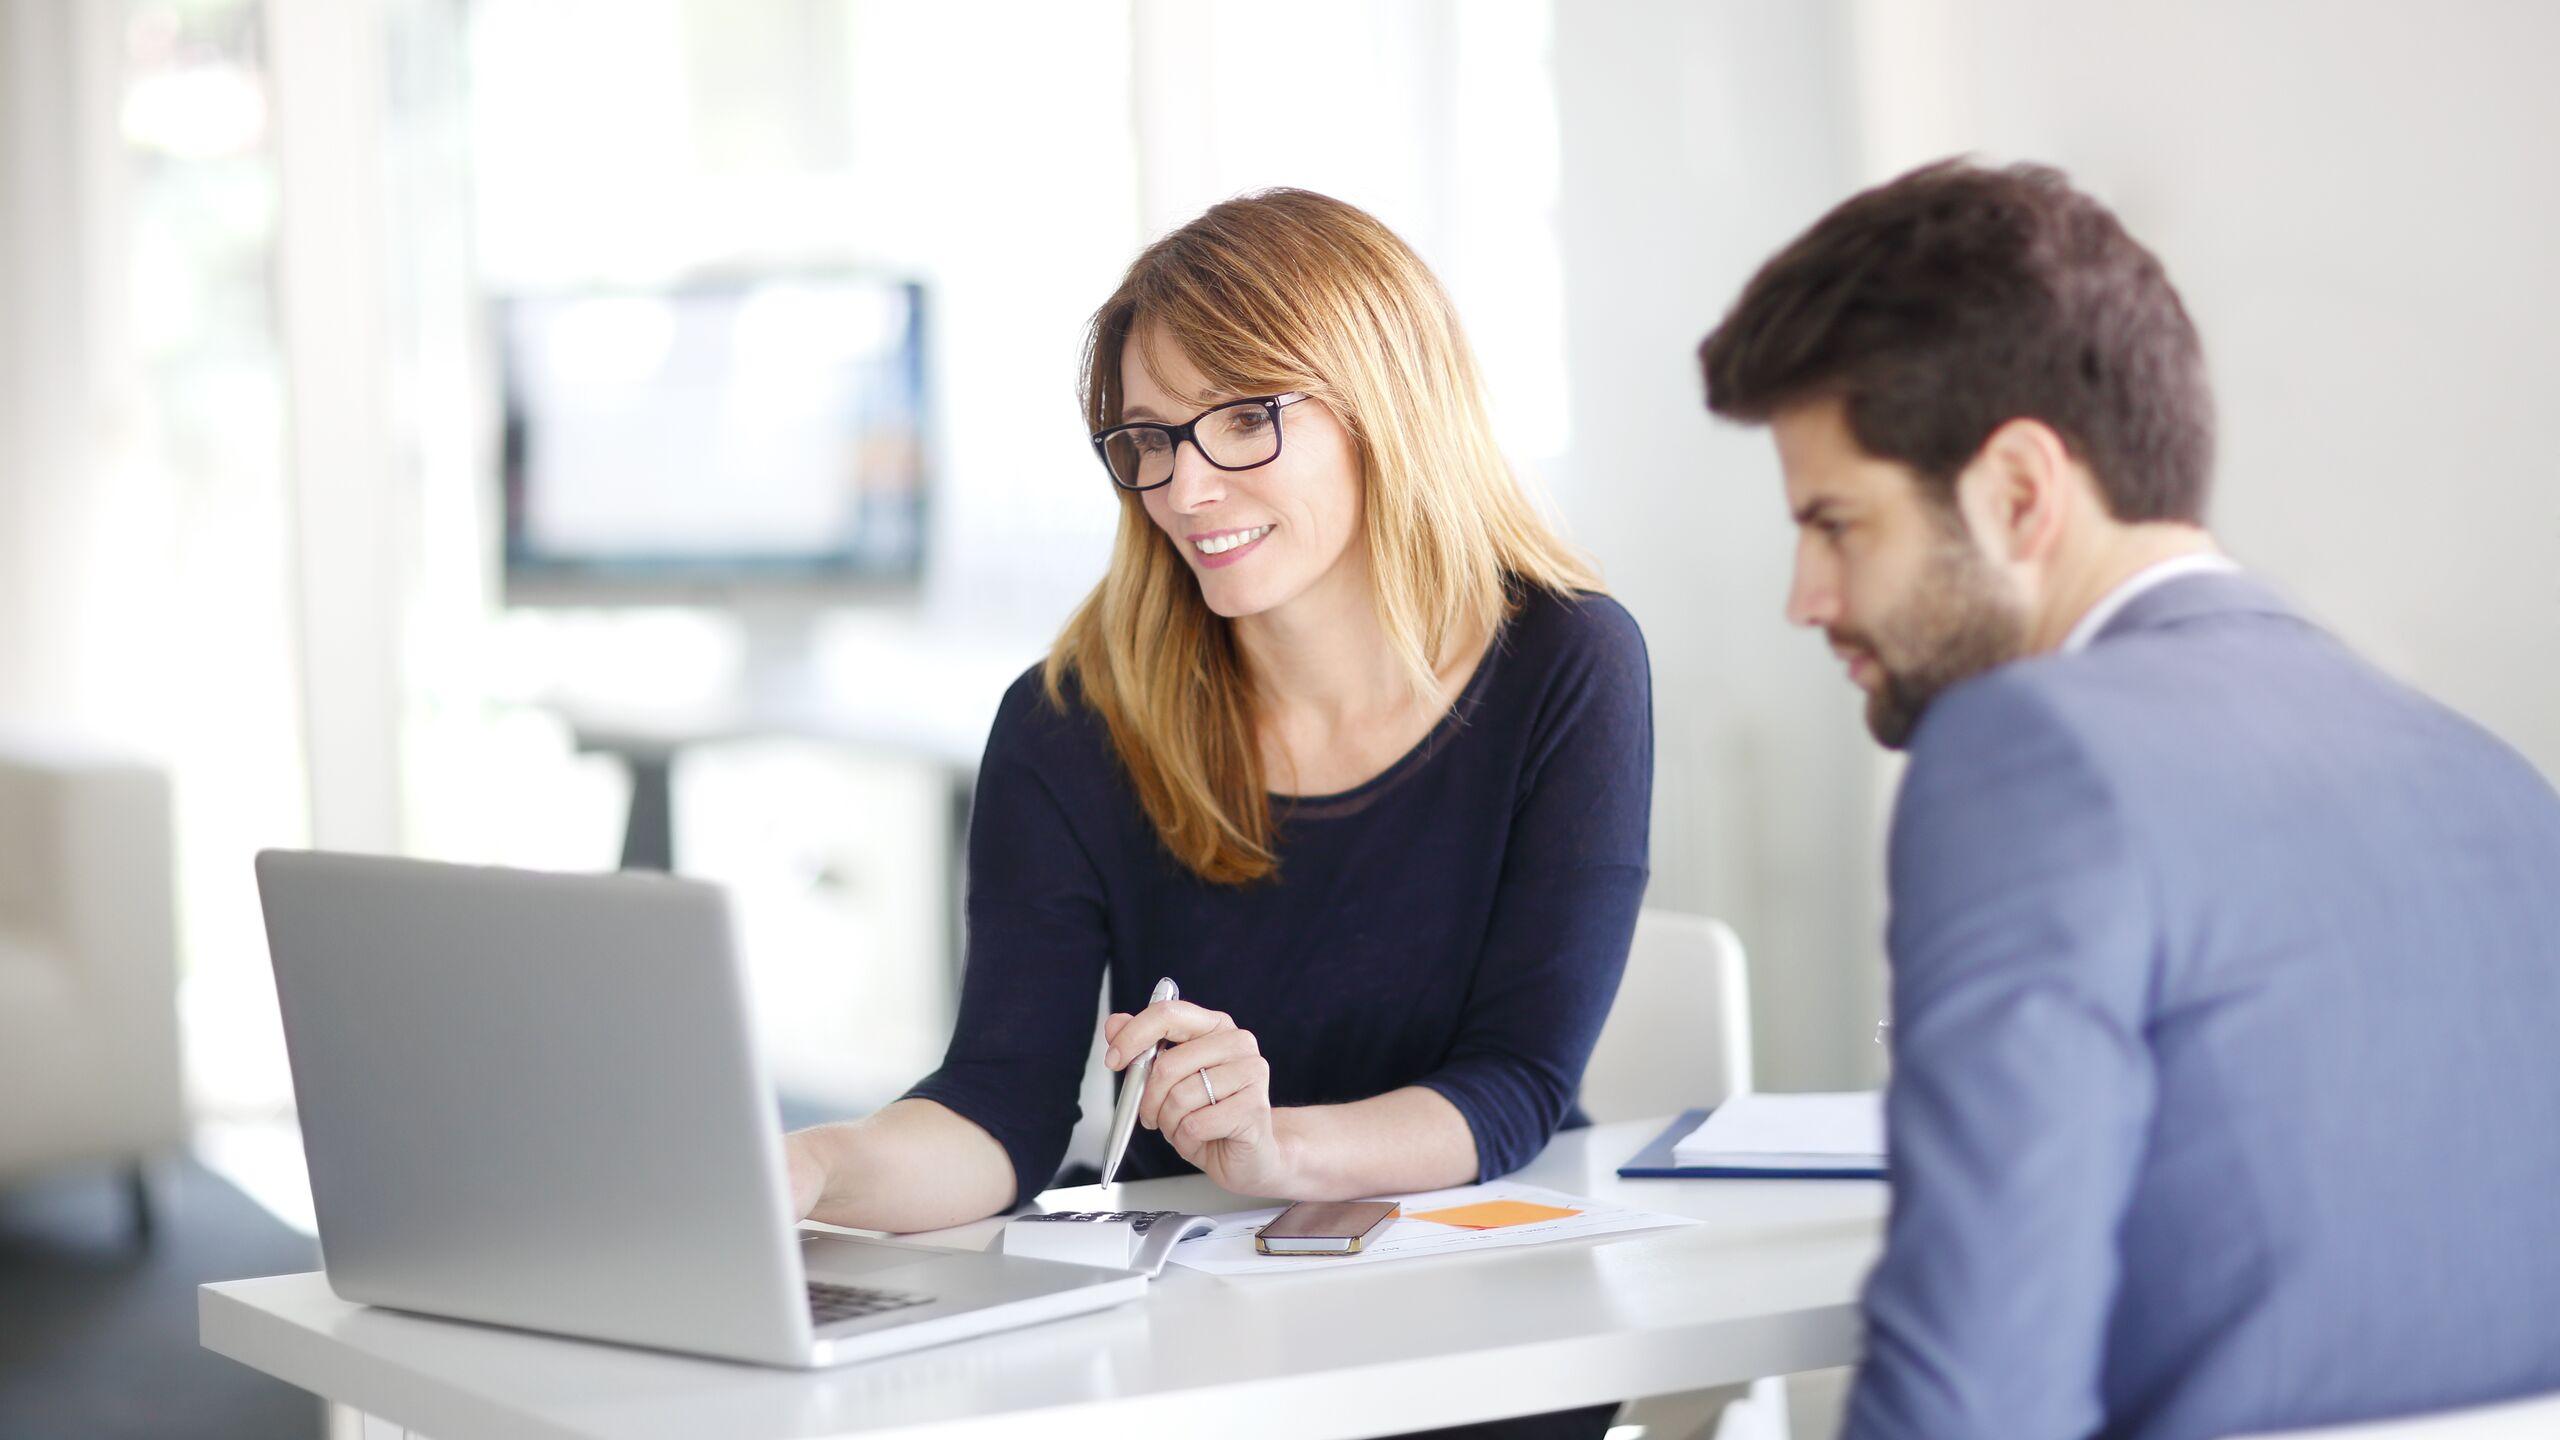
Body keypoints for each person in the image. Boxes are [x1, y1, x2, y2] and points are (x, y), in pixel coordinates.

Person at [1697, 158, 2560, 1439]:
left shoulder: (2025, 750)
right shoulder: (2491, 773)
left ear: (2019, 493)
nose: (1805, 598)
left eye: (1837, 525)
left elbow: (1971, 1405)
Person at [787, 187, 1651, 1438]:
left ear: (1383, 404)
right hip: (1187, 1337)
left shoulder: (1564, 662)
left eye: (1244, 419)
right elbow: (1002, 1109)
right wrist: (816, 1168)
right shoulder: (1071, 720)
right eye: (1148, 438)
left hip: (1480, 1319)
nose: (1185, 488)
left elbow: (1515, 1084)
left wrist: (1271, 1146)